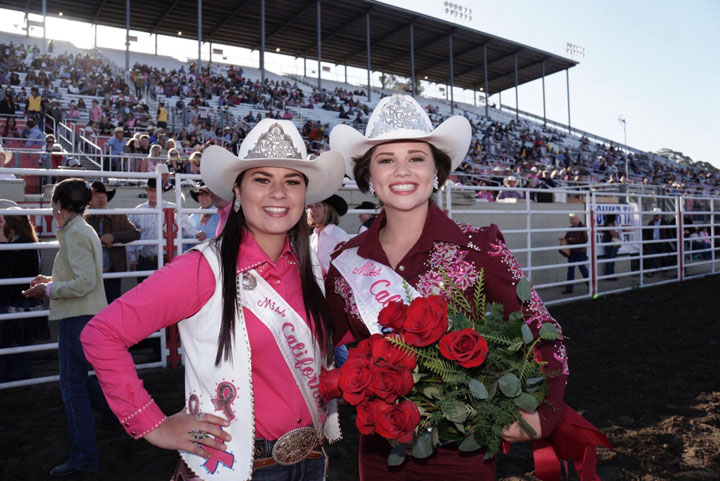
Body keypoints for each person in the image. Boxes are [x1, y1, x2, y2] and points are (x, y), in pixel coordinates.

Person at [81, 119, 345, 480]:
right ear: (237, 191)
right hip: (237, 467)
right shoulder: (202, 269)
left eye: (293, 181)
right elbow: (101, 334)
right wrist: (153, 424)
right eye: (262, 179)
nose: (279, 193)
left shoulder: (310, 268)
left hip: (313, 460)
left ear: (305, 194)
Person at [326, 94, 569, 480]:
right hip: (379, 451)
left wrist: (547, 412)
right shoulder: (344, 262)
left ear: (436, 171)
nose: (402, 170)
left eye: (416, 158)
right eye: (386, 159)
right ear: (369, 176)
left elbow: (544, 331)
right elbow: (323, 343)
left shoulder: (480, 248)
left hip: (462, 453)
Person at [21, 179, 109, 477]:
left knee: (73, 388)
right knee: (82, 383)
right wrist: (50, 283)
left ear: (59, 205)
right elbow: (84, 277)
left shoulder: (75, 234)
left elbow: (84, 283)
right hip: (86, 317)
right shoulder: (82, 231)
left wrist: (48, 290)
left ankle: (85, 457)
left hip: (78, 319)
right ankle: (121, 419)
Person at [0, 203, 49, 382]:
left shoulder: (18, 244)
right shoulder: (28, 241)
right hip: (20, 299)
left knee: (14, 343)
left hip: (16, 301)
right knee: (17, 343)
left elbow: (4, 268)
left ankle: (16, 382)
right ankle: (18, 380)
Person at [127, 178, 196, 281]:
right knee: (145, 293)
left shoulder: (173, 208)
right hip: (143, 260)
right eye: (150, 190)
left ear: (162, 191)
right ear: (146, 191)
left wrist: (197, 235)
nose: (153, 193)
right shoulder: (138, 211)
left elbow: (187, 228)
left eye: (156, 190)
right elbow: (130, 234)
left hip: (165, 259)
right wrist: (133, 259)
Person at [85, 182, 141, 304]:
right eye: (97, 196)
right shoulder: (84, 218)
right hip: (90, 273)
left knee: (110, 305)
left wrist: (114, 237)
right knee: (92, 307)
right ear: (90, 200)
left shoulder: (118, 216)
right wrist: (101, 239)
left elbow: (135, 233)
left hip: (112, 271)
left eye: (104, 196)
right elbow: (79, 238)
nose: (101, 199)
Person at [308, 194, 350, 277]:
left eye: (318, 206)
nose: (313, 210)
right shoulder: (313, 237)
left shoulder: (339, 236)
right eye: (310, 207)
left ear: (328, 210)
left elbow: (348, 267)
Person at [561, 213, 589, 294]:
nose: (571, 221)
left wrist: (571, 239)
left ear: (578, 219)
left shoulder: (583, 228)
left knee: (582, 269)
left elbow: (584, 239)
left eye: (573, 219)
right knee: (571, 270)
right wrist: (565, 239)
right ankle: (569, 289)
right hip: (572, 251)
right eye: (571, 219)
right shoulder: (571, 229)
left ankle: (590, 285)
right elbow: (567, 237)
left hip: (580, 252)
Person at [187, 181, 220, 245]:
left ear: (212, 196)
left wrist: (209, 212)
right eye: (201, 194)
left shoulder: (220, 213)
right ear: (198, 197)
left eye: (207, 194)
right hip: (197, 252)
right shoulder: (192, 217)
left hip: (216, 251)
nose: (204, 197)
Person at [601, 213, 619, 280]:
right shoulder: (609, 224)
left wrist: (616, 233)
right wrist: (616, 233)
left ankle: (611, 275)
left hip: (612, 243)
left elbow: (615, 234)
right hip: (610, 244)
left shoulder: (610, 224)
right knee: (611, 260)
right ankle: (609, 276)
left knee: (611, 260)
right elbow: (614, 234)